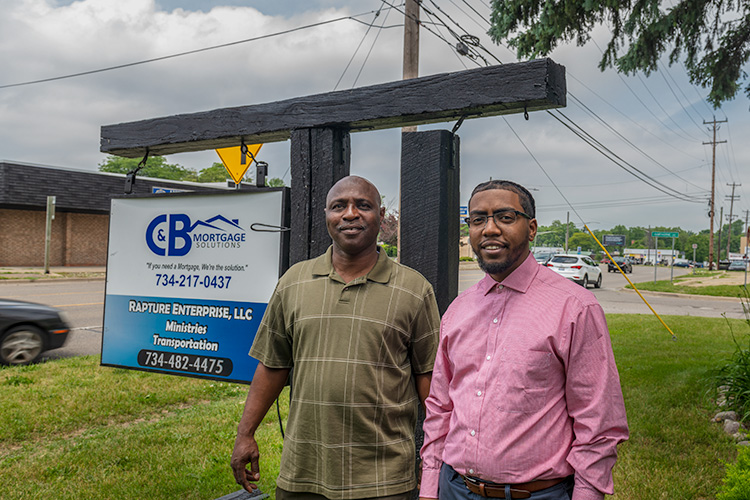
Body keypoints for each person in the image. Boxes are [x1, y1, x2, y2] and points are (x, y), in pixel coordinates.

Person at [231, 175, 441, 500]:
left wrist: (438, 459)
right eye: (339, 206)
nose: (350, 214)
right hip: (303, 472)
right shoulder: (294, 282)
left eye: (364, 206)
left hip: (383, 478)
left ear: (381, 216)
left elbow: (429, 381)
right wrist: (245, 434)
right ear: (327, 216)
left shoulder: (414, 290)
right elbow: (273, 366)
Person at [419, 180, 628, 500]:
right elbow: (440, 407)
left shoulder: (574, 308)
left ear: (531, 229)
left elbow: (598, 423)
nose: (489, 229)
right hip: (454, 488)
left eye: (504, 217)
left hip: (538, 494)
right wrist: (430, 487)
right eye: (478, 219)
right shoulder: (458, 310)